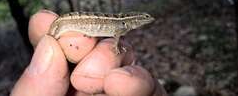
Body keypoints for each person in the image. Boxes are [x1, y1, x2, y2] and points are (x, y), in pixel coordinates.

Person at [10, 10, 167, 96]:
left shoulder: (124, 24)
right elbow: (117, 35)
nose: (148, 19)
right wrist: (116, 45)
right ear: (136, 20)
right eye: (145, 18)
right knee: (51, 42)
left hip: (67, 25)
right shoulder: (124, 26)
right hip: (66, 23)